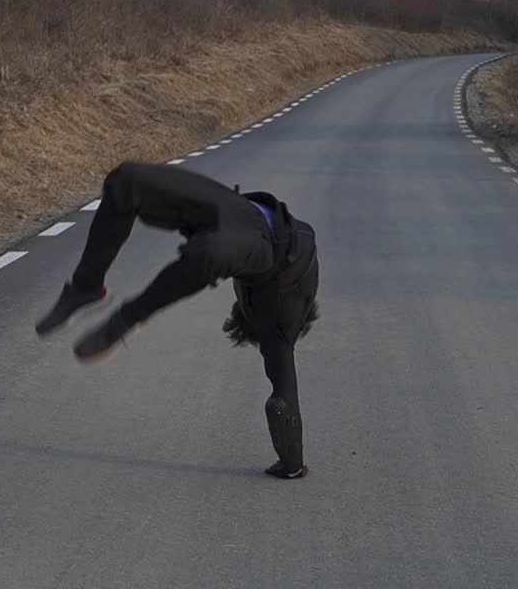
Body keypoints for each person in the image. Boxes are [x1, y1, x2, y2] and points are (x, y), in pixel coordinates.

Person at [35, 162, 320, 479]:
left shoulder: (278, 322)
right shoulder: (283, 315)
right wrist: (292, 462)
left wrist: (292, 460)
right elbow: (283, 389)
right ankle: (87, 286)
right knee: (125, 180)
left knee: (145, 195)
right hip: (238, 216)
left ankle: (124, 316)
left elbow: (283, 392)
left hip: (241, 220)